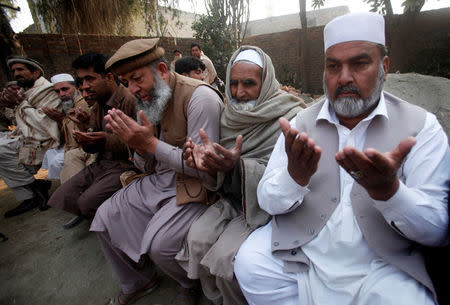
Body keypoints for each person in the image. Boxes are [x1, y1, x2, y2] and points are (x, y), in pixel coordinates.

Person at [234, 12, 449, 305]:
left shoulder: (421, 127)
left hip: (380, 268)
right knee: (249, 263)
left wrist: (390, 193)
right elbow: (267, 201)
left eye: (359, 64)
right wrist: (293, 178)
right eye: (333, 66)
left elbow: (437, 229)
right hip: (304, 256)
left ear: (384, 66)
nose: (344, 77)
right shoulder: (301, 122)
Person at [89, 38, 223, 305]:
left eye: (137, 79)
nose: (133, 89)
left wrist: (149, 143)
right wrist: (136, 147)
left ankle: (188, 282)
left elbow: (205, 170)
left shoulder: (200, 98)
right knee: (104, 217)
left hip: (198, 186)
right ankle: (139, 280)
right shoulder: (146, 99)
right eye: (126, 82)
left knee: (160, 246)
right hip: (159, 181)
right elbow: (145, 165)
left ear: (162, 70)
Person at [176, 46, 307, 305]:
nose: (239, 92)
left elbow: (287, 178)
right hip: (233, 198)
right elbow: (220, 174)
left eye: (249, 83)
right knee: (197, 238)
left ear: (266, 82)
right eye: (234, 83)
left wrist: (238, 167)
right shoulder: (229, 116)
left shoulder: (292, 116)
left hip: (268, 209)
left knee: (226, 260)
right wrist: (209, 164)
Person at [47, 53, 137, 229]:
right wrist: (83, 130)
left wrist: (105, 139)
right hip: (102, 164)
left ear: (109, 77)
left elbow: (141, 146)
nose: (85, 86)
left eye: (89, 79)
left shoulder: (130, 101)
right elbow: (93, 146)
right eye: (82, 81)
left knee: (87, 202)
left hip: (126, 166)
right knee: (64, 194)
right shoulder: (97, 106)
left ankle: (118, 228)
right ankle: (103, 222)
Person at [0, 56, 61, 217]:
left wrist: (19, 104)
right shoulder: (24, 91)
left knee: (1, 150)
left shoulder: (48, 90)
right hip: (26, 135)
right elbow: (20, 120)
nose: (16, 74)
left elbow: (43, 122)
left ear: (35, 72)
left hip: (44, 139)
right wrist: (11, 105)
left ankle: (34, 188)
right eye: (14, 71)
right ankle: (31, 192)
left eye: (20, 70)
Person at [42, 73, 93, 183]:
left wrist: (61, 119)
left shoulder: (82, 103)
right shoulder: (67, 105)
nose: (61, 94)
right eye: (58, 91)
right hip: (72, 148)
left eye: (65, 89)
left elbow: (81, 133)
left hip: (83, 149)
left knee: (59, 161)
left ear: (75, 88)